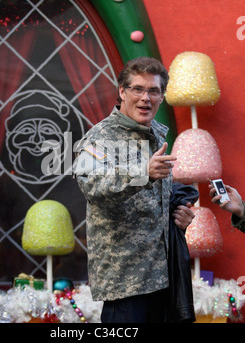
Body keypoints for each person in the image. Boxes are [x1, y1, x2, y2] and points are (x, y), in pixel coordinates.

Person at [74, 57, 195, 323]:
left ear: (162, 96)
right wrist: (143, 174)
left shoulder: (157, 136)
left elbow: (153, 202)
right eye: (137, 89)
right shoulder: (99, 138)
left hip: (163, 279)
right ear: (121, 91)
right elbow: (92, 186)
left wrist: (179, 218)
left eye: (153, 91)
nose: (145, 98)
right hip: (126, 286)